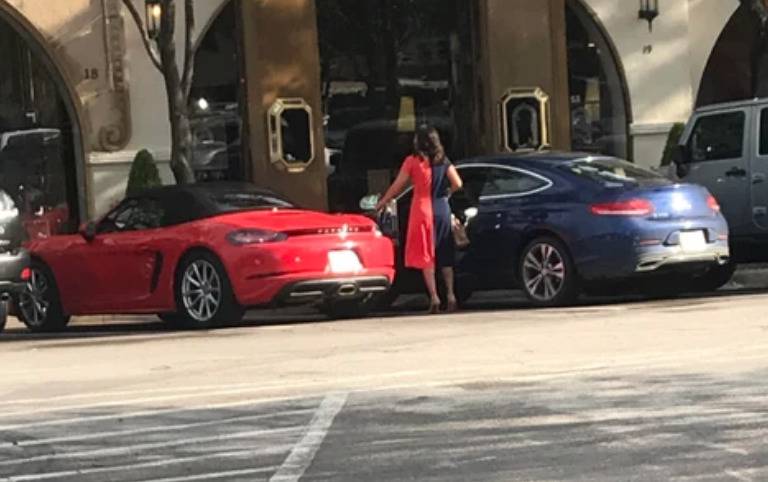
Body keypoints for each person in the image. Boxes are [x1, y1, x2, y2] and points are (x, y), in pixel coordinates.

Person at [375, 125, 463, 314]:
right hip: (441, 208)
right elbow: (458, 183)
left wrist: (382, 202)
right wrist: (446, 193)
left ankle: (434, 297)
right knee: (444, 253)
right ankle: (451, 295)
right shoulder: (443, 160)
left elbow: (398, 185)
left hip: (421, 209)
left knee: (426, 255)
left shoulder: (413, 161)